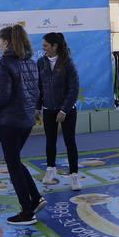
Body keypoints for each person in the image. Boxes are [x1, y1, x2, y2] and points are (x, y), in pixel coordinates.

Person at [0, 25, 44, 226]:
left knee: (13, 164)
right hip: (26, 121)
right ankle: (36, 198)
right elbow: (36, 94)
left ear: (6, 42)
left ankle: (27, 213)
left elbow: (3, 96)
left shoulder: (5, 62)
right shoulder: (30, 62)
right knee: (15, 160)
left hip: (11, 122)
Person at [38, 32, 81, 190]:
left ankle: (74, 175)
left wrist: (64, 110)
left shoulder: (68, 63)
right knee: (50, 141)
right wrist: (38, 107)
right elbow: (39, 88)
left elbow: (74, 89)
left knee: (70, 142)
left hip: (67, 111)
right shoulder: (40, 63)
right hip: (48, 109)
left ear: (55, 46)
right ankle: (50, 170)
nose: (43, 49)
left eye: (46, 46)